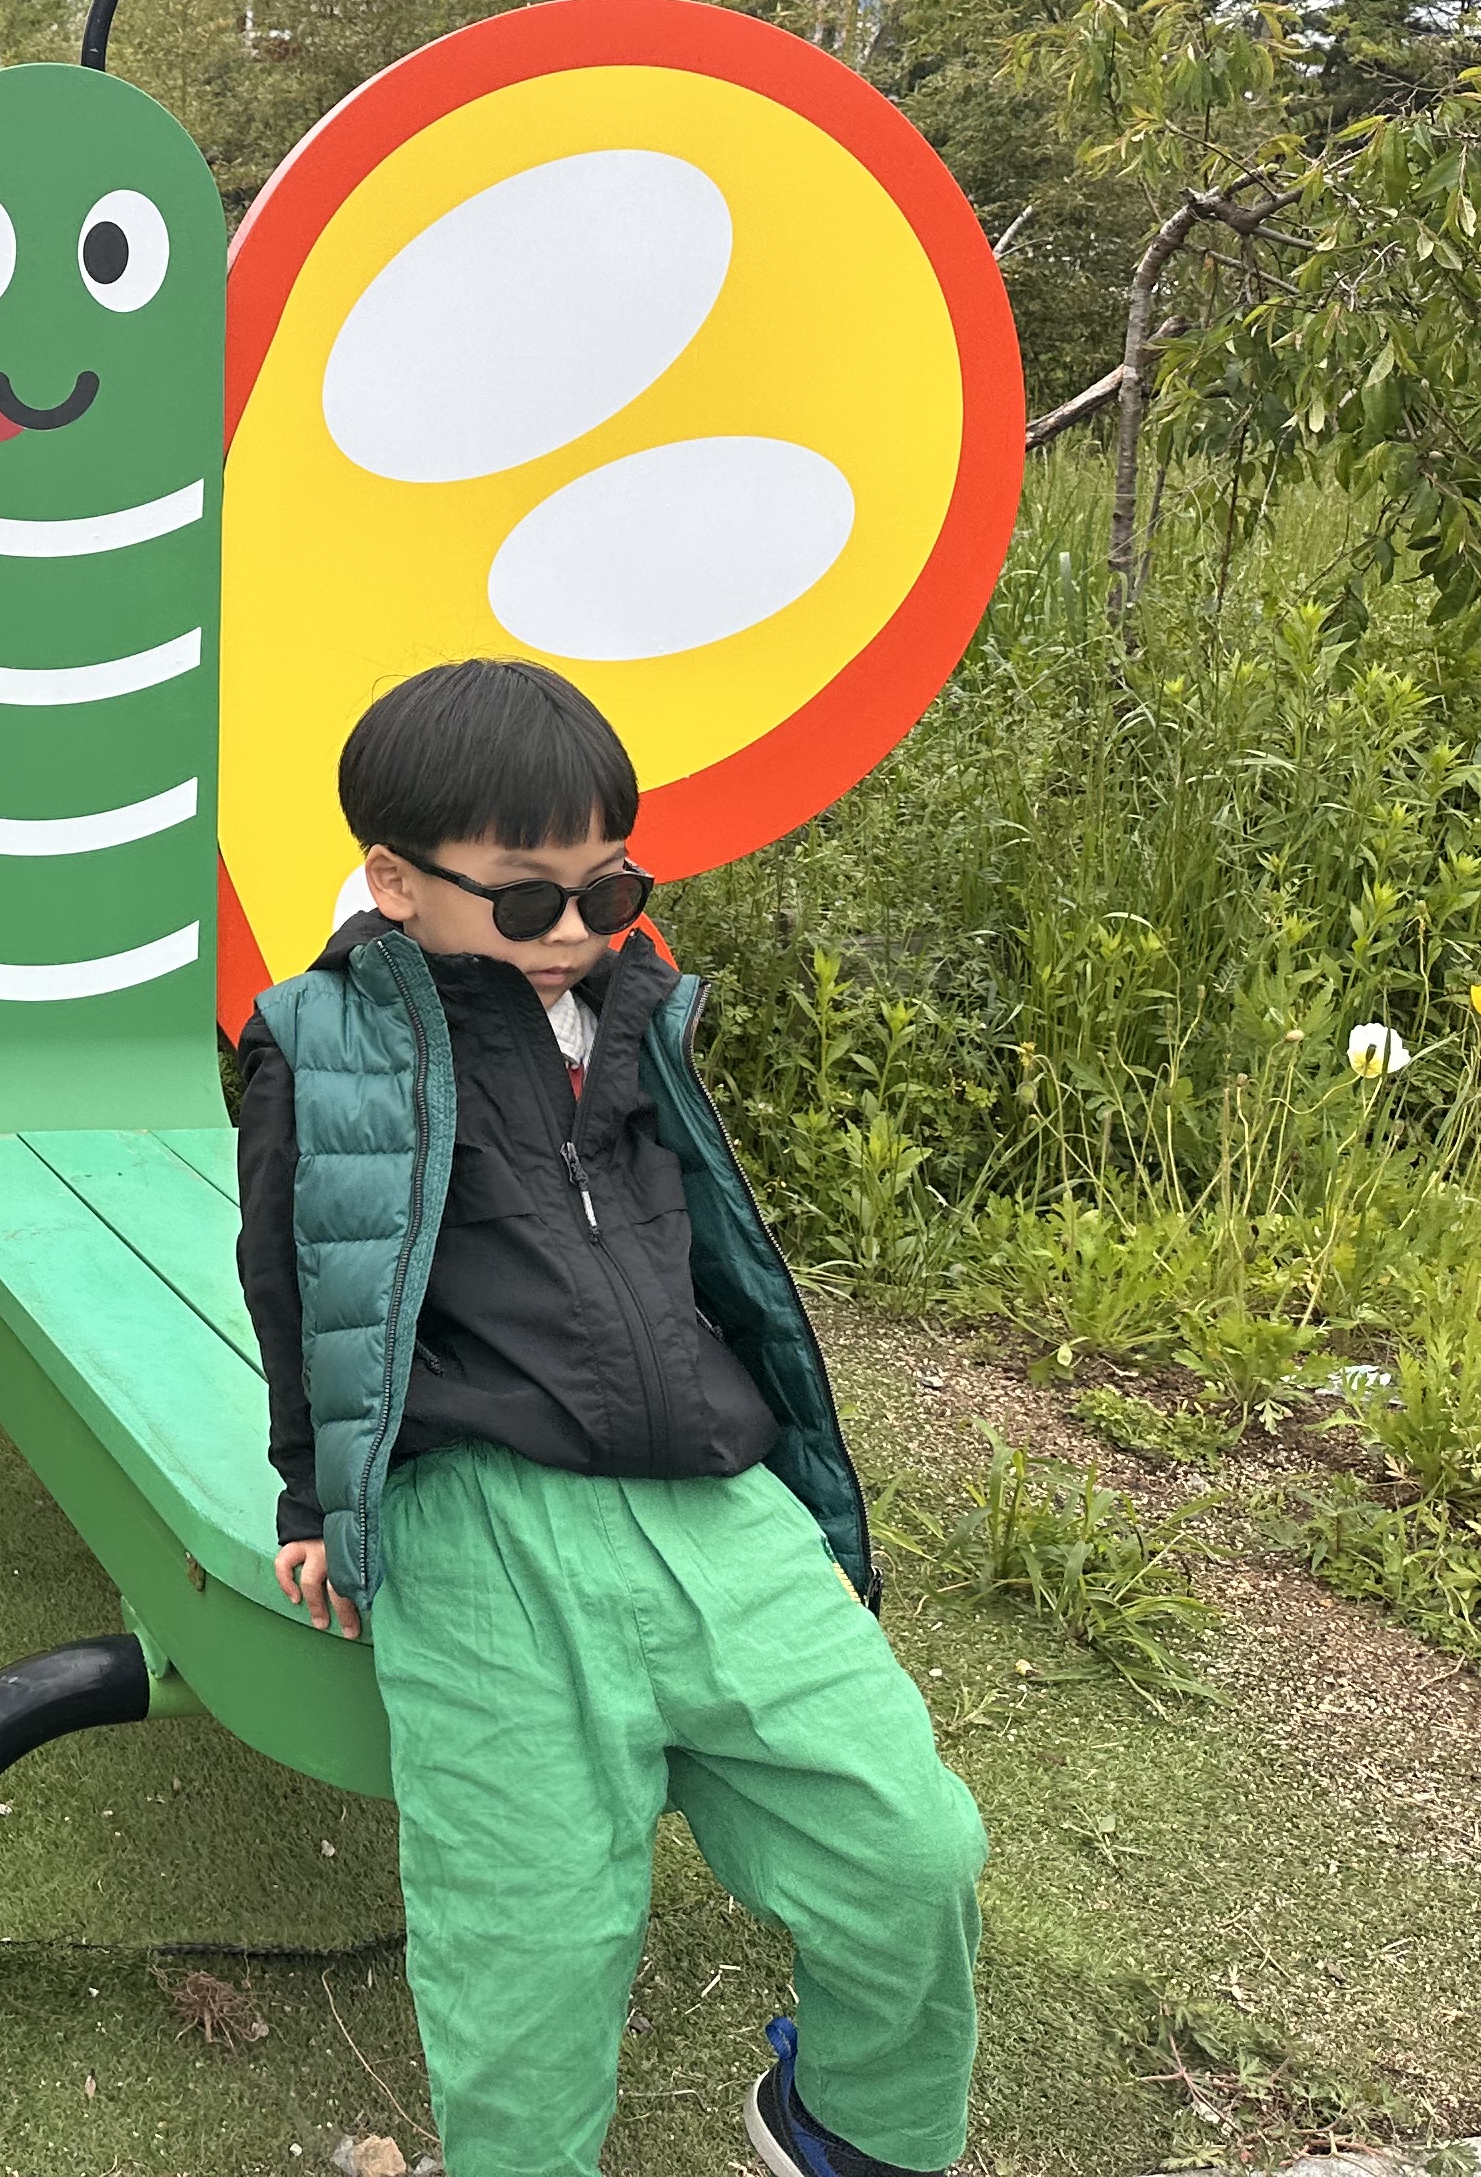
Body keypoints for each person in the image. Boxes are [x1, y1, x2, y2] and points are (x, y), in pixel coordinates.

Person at [232, 657, 986, 2177]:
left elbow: (724, 1262)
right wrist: (313, 1494)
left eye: (609, 887)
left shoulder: (636, 1016)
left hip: (713, 1492)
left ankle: (849, 2120)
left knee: (915, 1846)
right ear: (396, 880)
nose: (573, 930)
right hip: (483, 1516)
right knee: (531, 1939)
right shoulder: (322, 1043)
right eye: (524, 899)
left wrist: (815, 1501)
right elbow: (296, 1276)